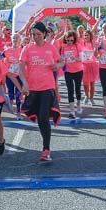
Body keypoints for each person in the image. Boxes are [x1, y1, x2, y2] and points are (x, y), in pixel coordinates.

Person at [21, 21, 63, 162]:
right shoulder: (27, 48)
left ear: (44, 34)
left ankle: (46, 148)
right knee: (40, 118)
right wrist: (25, 82)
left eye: (38, 34)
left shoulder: (51, 48)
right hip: (33, 89)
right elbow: (21, 68)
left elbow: (61, 61)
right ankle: (46, 146)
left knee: (44, 117)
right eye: (33, 34)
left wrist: (57, 65)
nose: (36, 37)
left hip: (47, 87)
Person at [58, 29, 84, 118]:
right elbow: (61, 58)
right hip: (68, 71)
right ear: (65, 39)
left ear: (74, 39)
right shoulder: (63, 47)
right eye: (67, 40)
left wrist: (75, 58)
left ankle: (79, 104)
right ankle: (72, 111)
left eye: (71, 40)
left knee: (77, 89)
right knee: (70, 90)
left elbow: (82, 58)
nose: (69, 42)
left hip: (78, 70)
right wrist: (62, 60)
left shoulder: (78, 46)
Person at [80, 29, 99, 107]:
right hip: (84, 65)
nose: (86, 36)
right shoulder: (81, 43)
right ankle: (86, 96)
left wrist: (96, 48)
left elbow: (96, 54)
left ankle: (91, 98)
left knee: (92, 83)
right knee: (85, 83)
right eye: (84, 35)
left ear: (90, 36)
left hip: (92, 65)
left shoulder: (93, 43)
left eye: (87, 35)